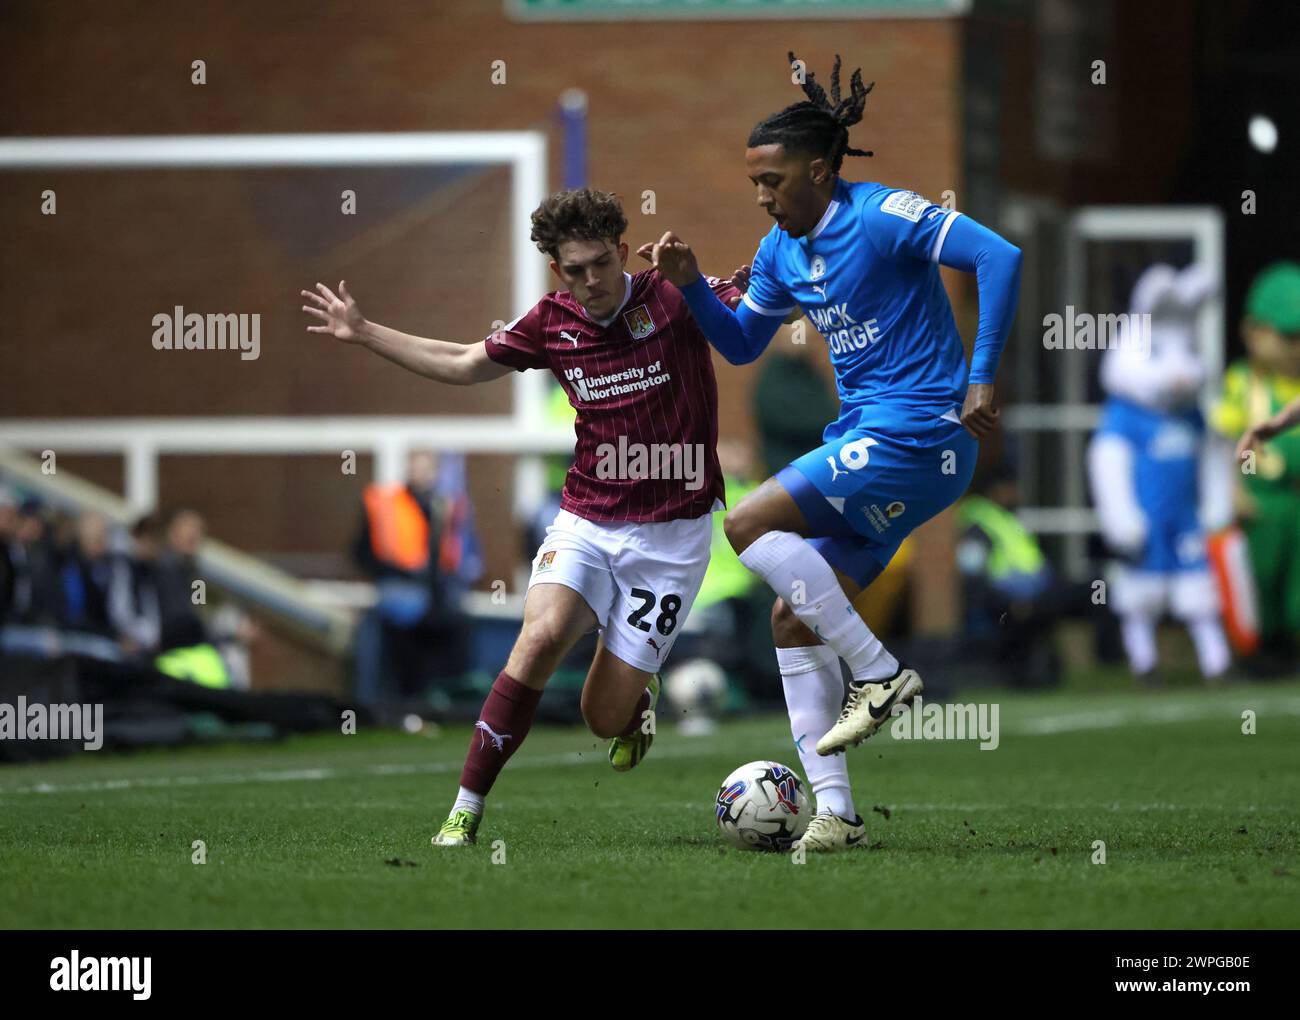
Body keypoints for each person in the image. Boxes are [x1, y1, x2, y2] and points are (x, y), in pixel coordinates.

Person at [647, 52, 1021, 851]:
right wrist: (687, 288)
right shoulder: (781, 251)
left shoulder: (883, 215)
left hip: (918, 432)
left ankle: (881, 673)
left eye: (773, 181)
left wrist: (981, 377)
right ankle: (837, 814)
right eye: (754, 182)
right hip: (872, 447)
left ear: (819, 170)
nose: (761, 195)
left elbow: (1000, 256)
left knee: (746, 523)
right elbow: (745, 343)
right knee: (792, 616)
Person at [302, 187, 748, 847]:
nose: (592, 280)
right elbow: (461, 362)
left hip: (673, 539)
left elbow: (767, 294)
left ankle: (634, 706)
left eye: (602, 263)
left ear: (624, 252)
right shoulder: (552, 321)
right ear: (557, 271)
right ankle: (466, 809)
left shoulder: (673, 296)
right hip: (587, 521)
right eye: (576, 269)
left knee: (603, 717)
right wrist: (364, 331)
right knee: (537, 640)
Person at [1088, 263, 1232, 684]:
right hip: (1144, 521)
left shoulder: (1192, 416)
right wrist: (1121, 518)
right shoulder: (1124, 417)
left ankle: (1216, 660)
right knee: (1140, 591)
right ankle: (1143, 659)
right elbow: (1107, 465)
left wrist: (1217, 505)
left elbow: (1212, 460)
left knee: (1198, 585)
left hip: (1185, 518)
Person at [1212, 262, 1300, 672]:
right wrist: (1232, 489)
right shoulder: (1244, 381)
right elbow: (1223, 439)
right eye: (1291, 336)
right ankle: (1260, 650)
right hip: (1262, 503)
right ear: (1254, 332)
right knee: (1260, 577)